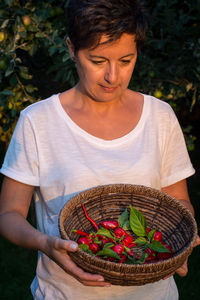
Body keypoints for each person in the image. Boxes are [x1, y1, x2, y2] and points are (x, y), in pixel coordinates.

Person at [0, 0, 199, 299]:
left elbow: (178, 199)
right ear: (71, 49)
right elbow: (9, 214)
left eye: (126, 60)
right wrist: (45, 244)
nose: (113, 76)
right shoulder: (38, 121)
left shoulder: (160, 116)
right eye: (98, 61)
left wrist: (185, 237)